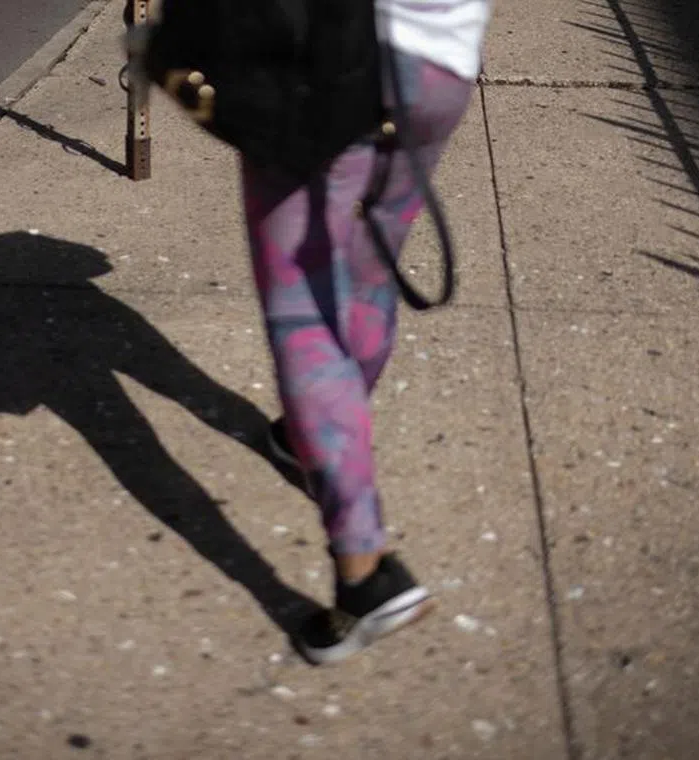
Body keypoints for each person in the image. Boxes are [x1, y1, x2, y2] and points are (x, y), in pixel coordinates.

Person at [242, 0, 493, 664]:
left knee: (305, 313)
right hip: (440, 65)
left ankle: (366, 577)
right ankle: (308, 439)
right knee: (368, 277)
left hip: (320, 57)